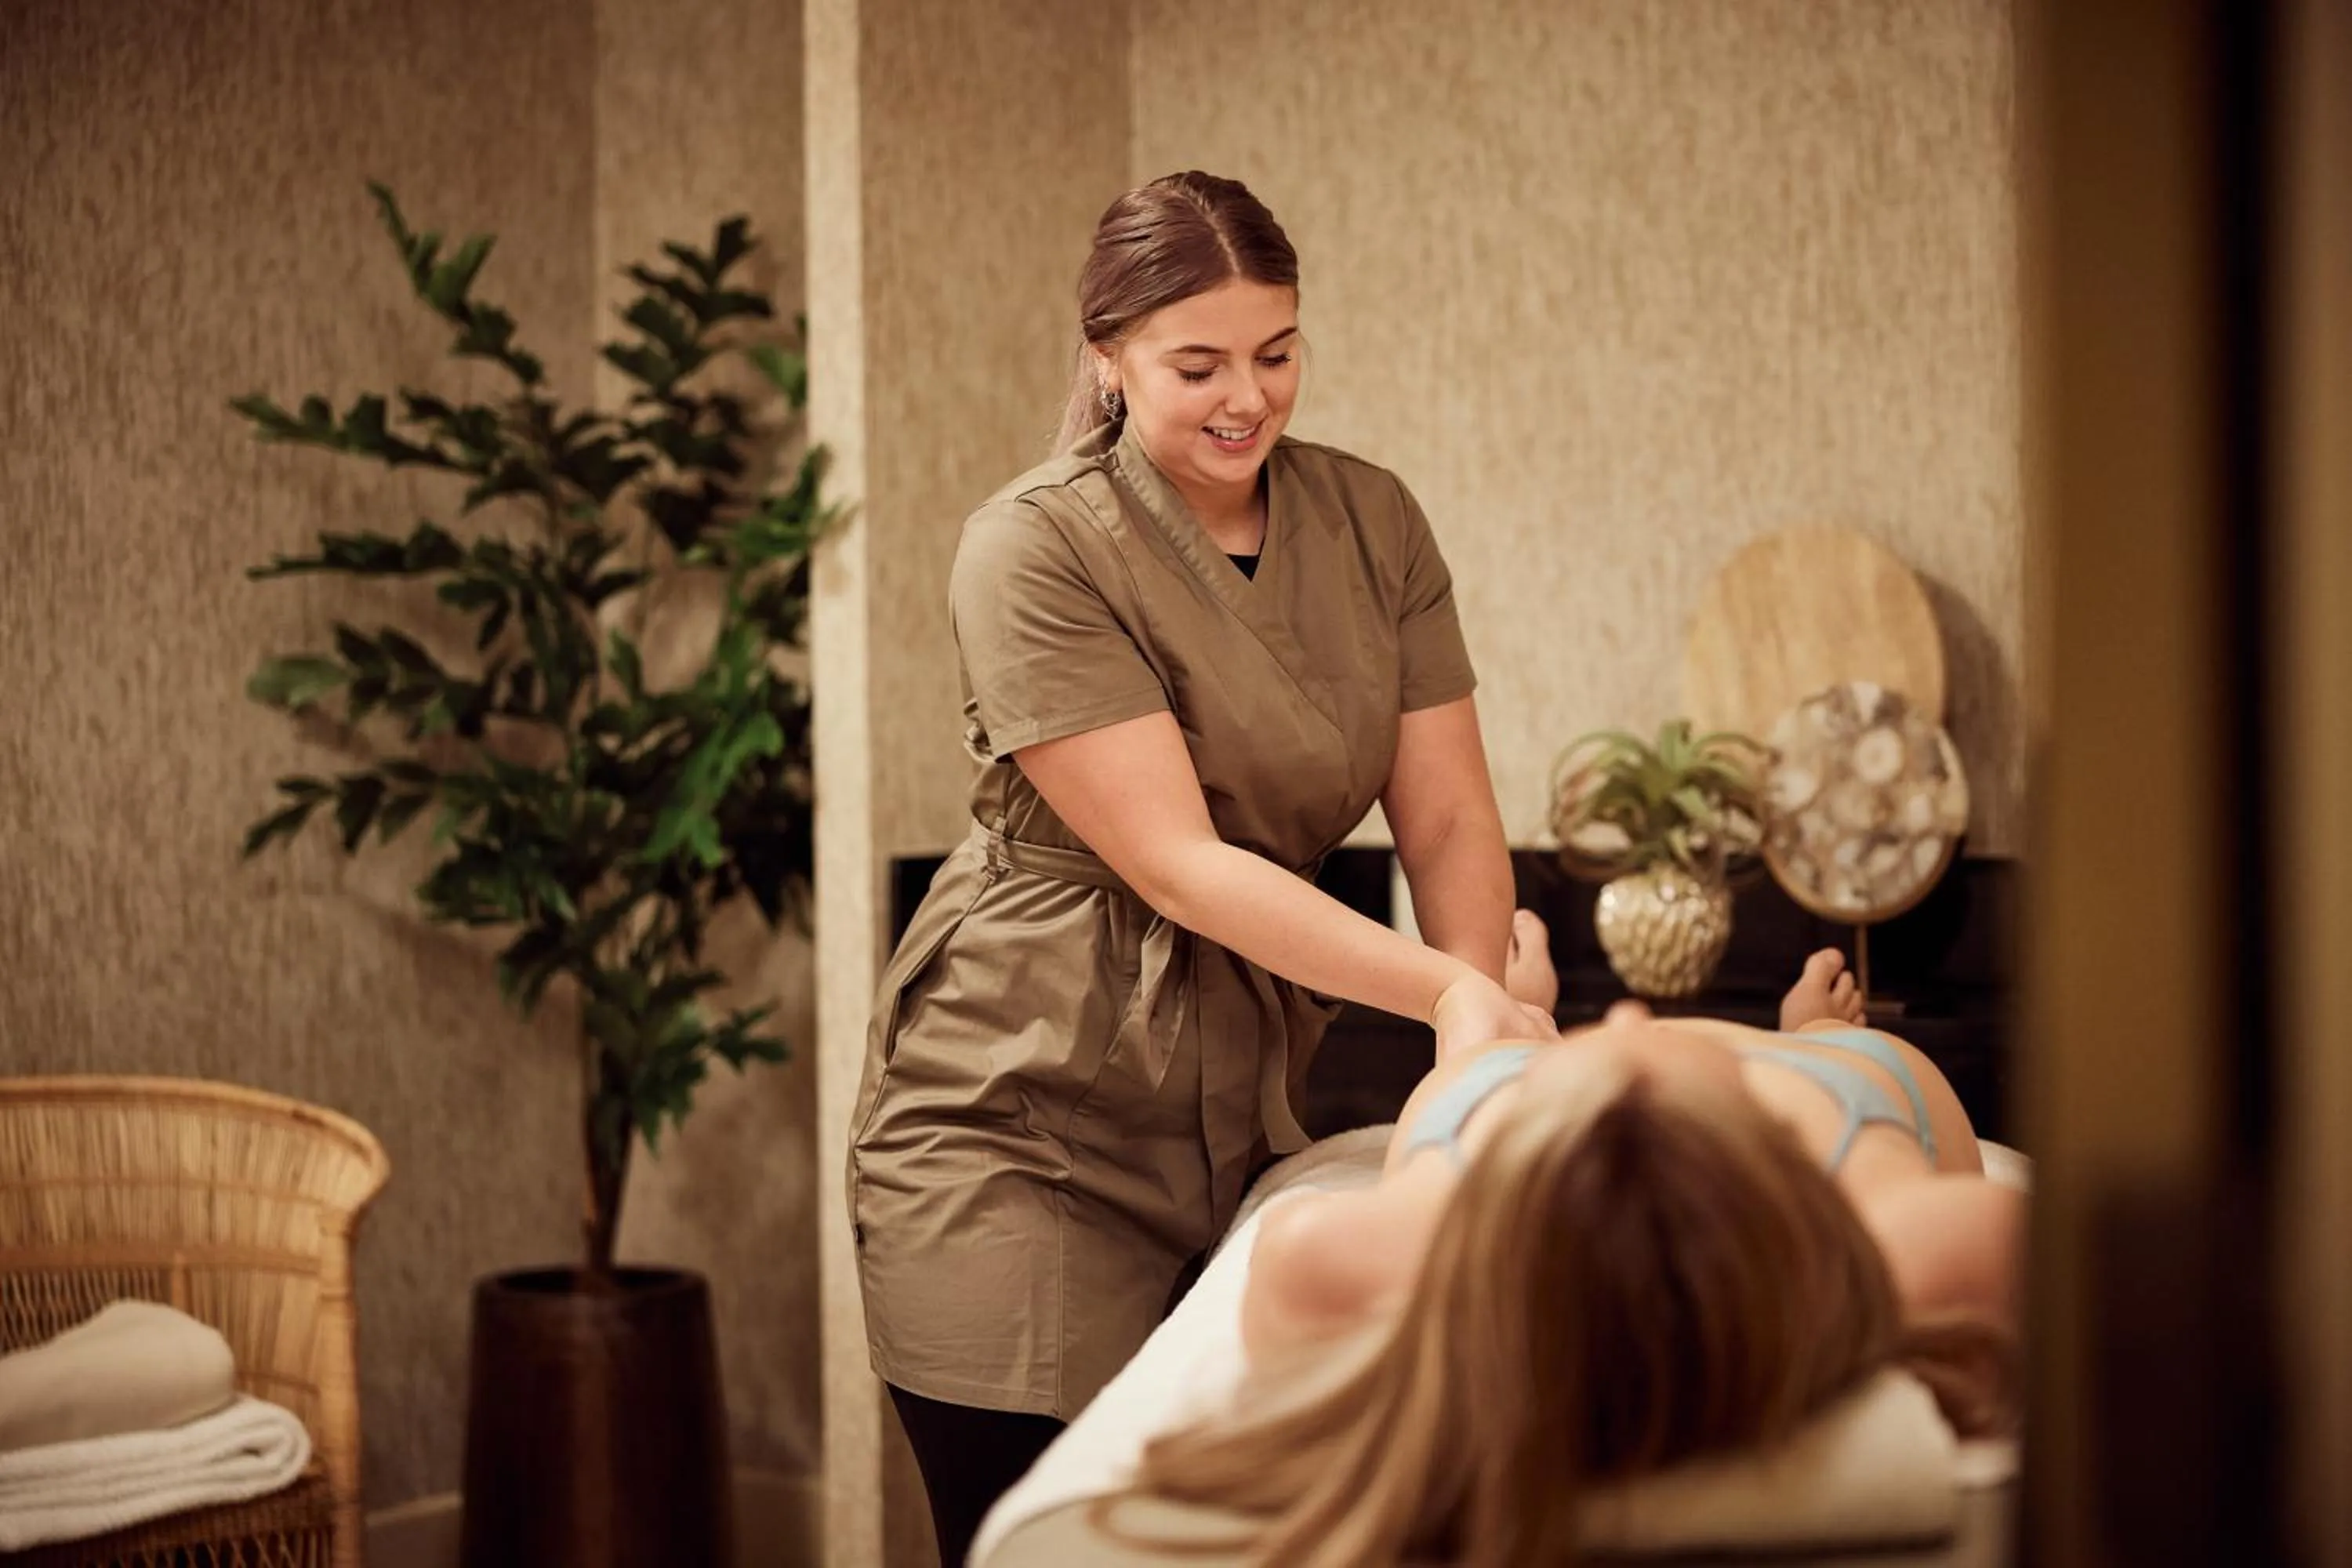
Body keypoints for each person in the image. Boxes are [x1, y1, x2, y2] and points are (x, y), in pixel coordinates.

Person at [846, 170, 1552, 1564]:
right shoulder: (1034, 548)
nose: (1250, 396)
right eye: (1198, 363)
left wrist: (1474, 1063)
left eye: (1278, 353)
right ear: (1105, 357)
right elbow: (1175, 864)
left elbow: (1455, 824)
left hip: (1234, 1113)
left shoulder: (1375, 523)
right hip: (1014, 1117)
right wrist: (1448, 999)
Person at [1110, 924, 2025, 1568]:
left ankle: (1519, 1017)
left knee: (1474, 1054)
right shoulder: (1899, 1233)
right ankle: (1810, 1031)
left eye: (1608, 1040)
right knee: (1837, 1036)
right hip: (1830, 1083)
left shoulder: (1390, 1242)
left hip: (1509, 1104)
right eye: (1626, 1040)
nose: (1631, 1015)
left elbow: (1300, 1266)